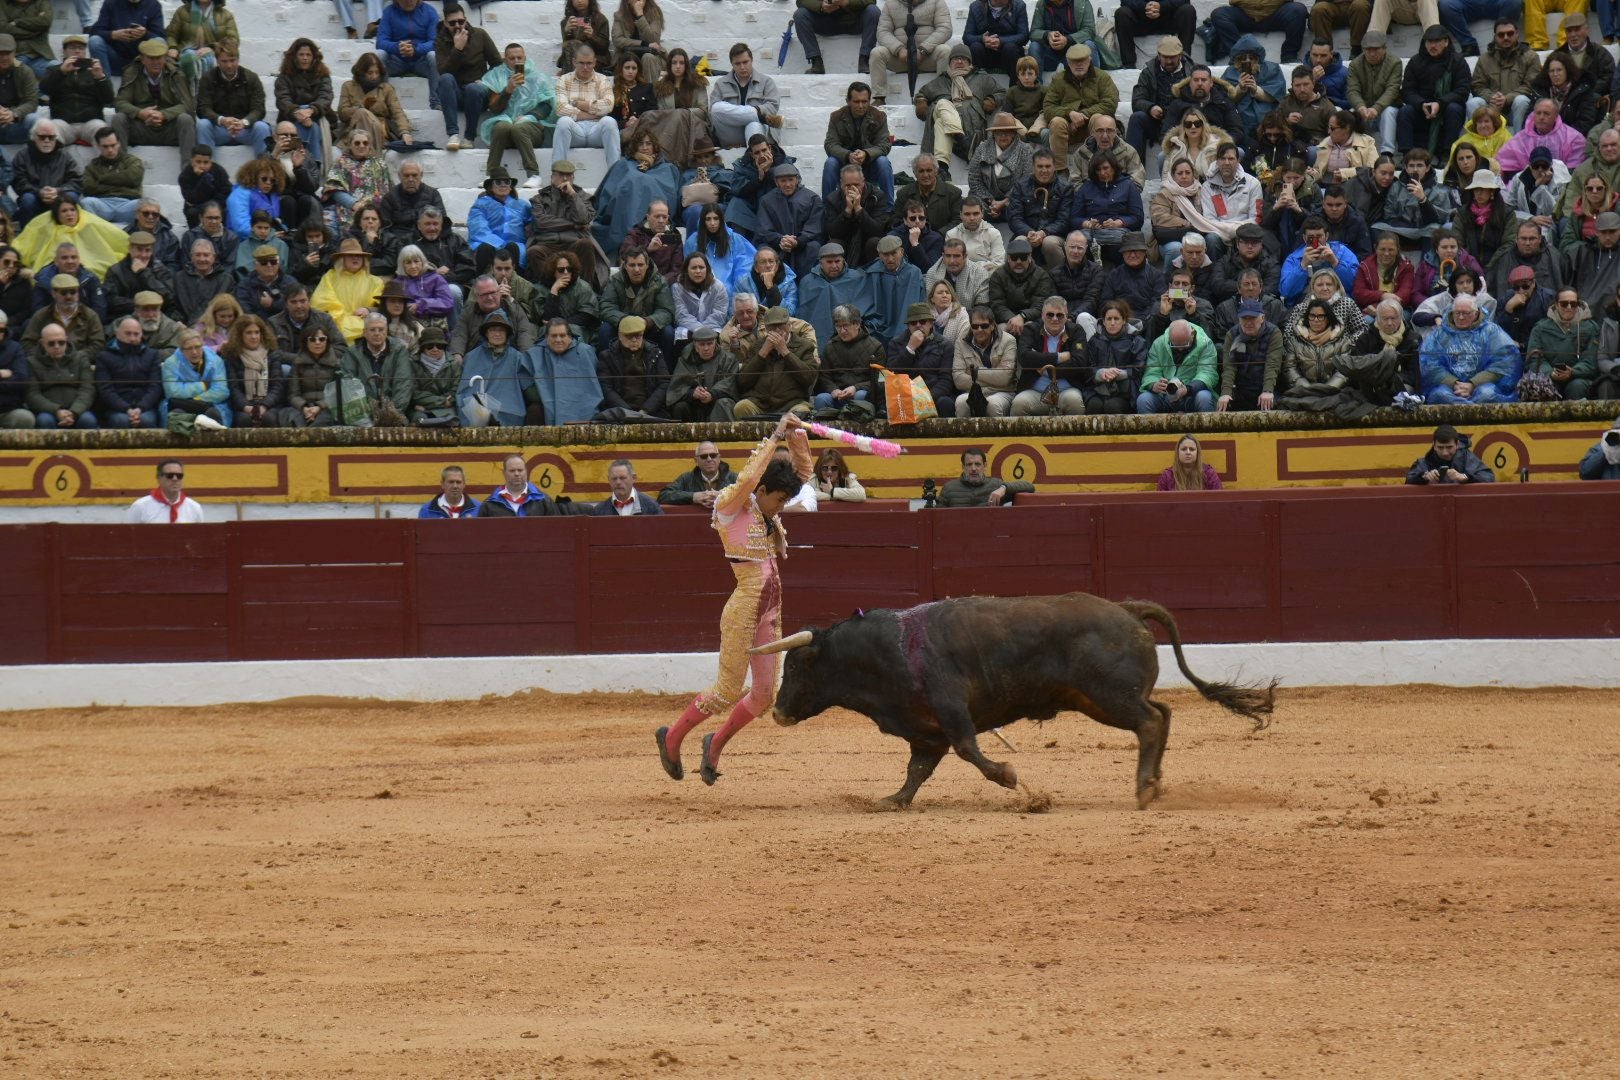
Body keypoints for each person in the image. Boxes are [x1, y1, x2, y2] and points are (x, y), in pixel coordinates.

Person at [655, 413, 812, 785]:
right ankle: (672, 737)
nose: (781, 506)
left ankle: (714, 746)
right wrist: (775, 433)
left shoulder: (765, 507)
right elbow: (746, 479)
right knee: (726, 691)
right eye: (778, 499)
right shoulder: (730, 506)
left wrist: (797, 434)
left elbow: (803, 472)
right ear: (762, 491)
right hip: (744, 607)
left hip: (770, 610)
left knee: (762, 696)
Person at [912, 45, 1001, 173]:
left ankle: (942, 167)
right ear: (950, 63)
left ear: (969, 62)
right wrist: (920, 102)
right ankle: (947, 159)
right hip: (962, 141)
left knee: (940, 123)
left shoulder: (982, 79)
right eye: (956, 59)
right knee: (943, 103)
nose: (959, 61)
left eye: (964, 59)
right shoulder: (940, 81)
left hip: (973, 133)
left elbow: (1001, 92)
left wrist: (992, 100)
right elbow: (922, 94)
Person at [1419, 293, 1521, 403]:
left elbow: (1505, 362)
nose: (1461, 317)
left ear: (1476, 313)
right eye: (1457, 313)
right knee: (1439, 395)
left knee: (1487, 395)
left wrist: (1473, 383)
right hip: (1449, 387)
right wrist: (1454, 383)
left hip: (1484, 385)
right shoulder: (1440, 334)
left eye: (1466, 313)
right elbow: (1429, 364)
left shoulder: (1491, 331)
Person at [478, 42, 554, 184]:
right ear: (505, 59)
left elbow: (547, 105)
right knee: (501, 127)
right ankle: (491, 174)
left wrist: (529, 116)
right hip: (506, 128)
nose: (516, 61)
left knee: (519, 127)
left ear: (525, 58)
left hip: (531, 129)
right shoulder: (496, 76)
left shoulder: (538, 77)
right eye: (512, 58)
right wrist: (507, 91)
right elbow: (494, 108)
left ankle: (533, 175)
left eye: (519, 58)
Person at [112, 38, 196, 162]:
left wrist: (164, 115)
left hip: (168, 128)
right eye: (151, 58)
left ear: (165, 58)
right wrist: (141, 113)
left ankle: (188, 172)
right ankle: (119, 168)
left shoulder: (176, 74)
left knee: (186, 120)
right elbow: (120, 102)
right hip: (142, 127)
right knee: (118, 119)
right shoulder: (132, 72)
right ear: (142, 59)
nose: (156, 62)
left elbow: (188, 105)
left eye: (159, 58)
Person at [1397, 25, 1469, 157]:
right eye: (1429, 42)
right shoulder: (1415, 62)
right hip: (1422, 109)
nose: (1432, 45)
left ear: (1446, 42)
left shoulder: (1457, 61)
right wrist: (1421, 104)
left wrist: (1440, 103)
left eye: (1437, 41)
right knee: (1405, 111)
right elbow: (1407, 91)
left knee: (1454, 109)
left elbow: (1462, 91)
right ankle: (1407, 155)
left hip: (1447, 108)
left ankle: (1448, 154)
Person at [734, 305, 816, 418]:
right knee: (741, 408)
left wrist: (785, 352)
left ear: (789, 326)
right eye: (772, 327)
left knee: (802, 412)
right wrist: (762, 353)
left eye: (781, 326)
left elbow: (809, 378)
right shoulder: (757, 346)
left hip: (792, 403)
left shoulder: (804, 346)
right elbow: (742, 382)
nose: (777, 331)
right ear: (766, 328)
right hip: (760, 403)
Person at [868, 0, 953, 104]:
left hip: (928, 57)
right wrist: (899, 49)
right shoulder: (890, 3)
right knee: (877, 53)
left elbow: (945, 29)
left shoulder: (937, 2)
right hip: (902, 59)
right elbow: (882, 32)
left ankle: (942, 96)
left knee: (945, 51)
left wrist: (923, 50)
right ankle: (879, 98)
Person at [1043, 44, 1119, 160]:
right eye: (1074, 61)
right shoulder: (1058, 79)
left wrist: (1082, 116)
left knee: (1098, 118)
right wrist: (1069, 114)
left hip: (1093, 127)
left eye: (1082, 60)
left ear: (1089, 60)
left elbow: (1110, 104)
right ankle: (1060, 170)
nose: (1079, 64)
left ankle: (1100, 163)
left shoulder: (1102, 77)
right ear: (1068, 62)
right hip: (1068, 128)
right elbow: (1048, 108)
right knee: (1057, 122)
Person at [1523, 286, 1598, 400]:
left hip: (1579, 378)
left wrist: (1572, 372)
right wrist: (1550, 373)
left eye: (1573, 304)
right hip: (1548, 376)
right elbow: (1533, 359)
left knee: (1577, 387)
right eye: (1564, 304)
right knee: (1546, 386)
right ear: (1556, 305)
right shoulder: (1540, 327)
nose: (1569, 307)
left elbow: (1591, 361)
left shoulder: (1591, 327)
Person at [824, 81, 893, 202]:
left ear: (869, 100)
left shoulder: (879, 116)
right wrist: (847, 156)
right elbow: (830, 144)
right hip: (844, 166)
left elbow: (885, 144)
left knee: (883, 162)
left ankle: (888, 209)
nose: (861, 105)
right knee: (830, 163)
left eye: (864, 101)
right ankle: (827, 208)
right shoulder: (836, 117)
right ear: (848, 101)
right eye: (856, 102)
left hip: (870, 165)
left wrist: (866, 154)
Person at [96, 316, 163, 429]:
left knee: (146, 421)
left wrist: (140, 408)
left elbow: (155, 387)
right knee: (121, 421)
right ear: (117, 334)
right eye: (128, 334)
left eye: (136, 334)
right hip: (115, 408)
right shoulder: (104, 357)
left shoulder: (152, 355)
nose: (132, 338)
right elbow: (105, 389)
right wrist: (126, 409)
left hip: (145, 408)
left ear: (141, 334)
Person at [709, 43, 781, 149]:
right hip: (731, 133)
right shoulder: (721, 83)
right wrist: (757, 113)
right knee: (716, 108)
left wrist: (749, 114)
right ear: (732, 64)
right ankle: (758, 116)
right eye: (737, 64)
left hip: (757, 131)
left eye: (745, 62)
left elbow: (773, 107)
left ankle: (754, 157)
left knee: (753, 124)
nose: (742, 67)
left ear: (751, 60)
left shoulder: (766, 81)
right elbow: (714, 113)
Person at [1137, 319, 1217, 413]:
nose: (1180, 349)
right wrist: (1153, 385)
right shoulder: (1158, 344)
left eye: (1184, 345)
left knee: (1204, 397)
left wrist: (1187, 389)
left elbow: (1207, 374)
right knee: (1143, 399)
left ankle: (1208, 428)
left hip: (1192, 395)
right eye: (1175, 346)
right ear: (1169, 337)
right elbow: (1151, 373)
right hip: (1165, 396)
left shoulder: (1206, 344)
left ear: (1192, 333)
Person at [954, 303, 1019, 416]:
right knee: (961, 402)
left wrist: (976, 372)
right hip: (971, 392)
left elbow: (1005, 378)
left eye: (984, 326)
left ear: (993, 325)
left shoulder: (1009, 341)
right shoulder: (961, 342)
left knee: (993, 404)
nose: (979, 330)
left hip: (1002, 392)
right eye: (975, 326)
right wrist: (992, 378)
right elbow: (958, 379)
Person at [816, 303, 882, 413]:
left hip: (862, 394)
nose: (842, 331)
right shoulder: (830, 347)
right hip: (838, 396)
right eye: (838, 326)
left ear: (857, 324)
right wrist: (833, 390)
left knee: (860, 396)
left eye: (845, 326)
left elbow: (879, 380)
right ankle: (824, 430)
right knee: (821, 399)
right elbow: (824, 376)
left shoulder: (875, 347)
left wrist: (856, 388)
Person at [1207, 0, 1310, 67]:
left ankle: (1289, 56)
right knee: (1219, 14)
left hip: (1275, 14)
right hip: (1245, 15)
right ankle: (1239, 55)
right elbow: (1233, 1)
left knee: (1298, 10)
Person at [936, 448, 1035, 506]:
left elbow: (1030, 487)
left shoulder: (995, 485)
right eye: (969, 464)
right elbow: (937, 519)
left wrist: (1003, 488)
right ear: (963, 467)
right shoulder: (949, 488)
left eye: (978, 464)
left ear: (985, 465)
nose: (973, 468)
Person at [479, 454, 568, 518]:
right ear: (504, 473)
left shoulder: (543, 500)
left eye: (520, 470)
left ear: (526, 471)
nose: (517, 474)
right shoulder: (490, 504)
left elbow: (556, 530)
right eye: (512, 471)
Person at [1405, 423, 1495, 483]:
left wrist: (1465, 477)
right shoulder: (1424, 462)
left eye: (1449, 447)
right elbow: (1409, 480)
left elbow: (1489, 477)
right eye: (1440, 447)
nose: (1445, 453)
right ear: (1434, 445)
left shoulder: (1466, 457)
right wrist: (1423, 477)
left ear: (1457, 444)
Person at [659, 440, 738, 507]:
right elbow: (663, 496)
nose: (709, 459)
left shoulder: (734, 478)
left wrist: (724, 496)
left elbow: (750, 495)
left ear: (719, 458)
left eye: (713, 455)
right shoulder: (686, 479)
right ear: (696, 461)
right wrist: (693, 497)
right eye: (704, 456)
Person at [965, 0, 1030, 78]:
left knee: (1011, 48)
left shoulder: (1019, 5)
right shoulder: (975, 6)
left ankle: (1015, 88)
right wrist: (982, 39)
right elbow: (967, 37)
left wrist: (1001, 41)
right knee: (975, 47)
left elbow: (1024, 36)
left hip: (1008, 54)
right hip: (985, 53)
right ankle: (976, 85)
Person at [127, 459, 206, 522]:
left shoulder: (194, 508)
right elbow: (129, 536)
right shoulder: (141, 506)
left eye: (179, 476)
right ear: (159, 478)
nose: (175, 479)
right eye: (169, 476)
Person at [1157, 434, 1222, 490]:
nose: (1188, 452)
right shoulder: (1167, 476)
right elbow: (1159, 501)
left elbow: (1219, 498)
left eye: (1192, 449)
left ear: (1197, 453)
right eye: (1184, 449)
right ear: (1178, 452)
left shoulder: (1209, 474)